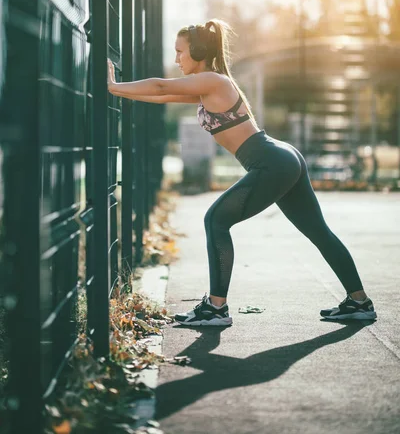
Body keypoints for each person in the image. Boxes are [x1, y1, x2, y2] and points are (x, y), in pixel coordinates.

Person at [107, 19, 377, 327]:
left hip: (272, 163)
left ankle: (216, 308)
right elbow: (163, 95)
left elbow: (160, 86)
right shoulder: (209, 83)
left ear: (198, 51)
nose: (176, 59)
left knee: (216, 220)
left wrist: (113, 86)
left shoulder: (212, 80)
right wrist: (117, 92)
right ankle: (359, 302)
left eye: (180, 52)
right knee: (318, 232)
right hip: (281, 159)